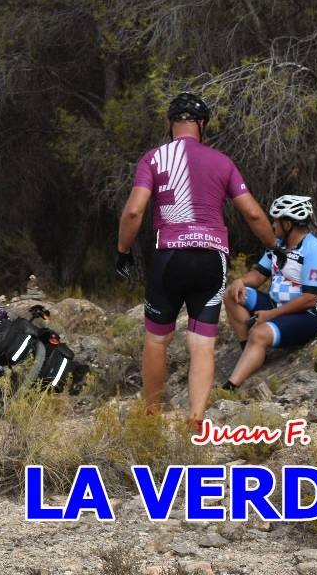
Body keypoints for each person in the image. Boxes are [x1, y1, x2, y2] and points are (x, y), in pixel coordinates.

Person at [115, 92, 277, 430]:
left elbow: (133, 211)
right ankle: (196, 420)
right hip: (210, 258)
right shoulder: (222, 162)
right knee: (202, 342)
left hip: (169, 256)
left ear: (170, 124)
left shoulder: (153, 159)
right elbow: (252, 213)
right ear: (202, 124)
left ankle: (150, 418)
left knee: (157, 339)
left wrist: (123, 251)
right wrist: (275, 245)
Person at [221, 195, 317, 389]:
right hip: (277, 305)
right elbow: (258, 275)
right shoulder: (277, 246)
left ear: (287, 224)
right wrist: (240, 281)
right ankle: (248, 350)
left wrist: (270, 315)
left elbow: (309, 299)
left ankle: (231, 386)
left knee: (260, 333)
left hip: (308, 315)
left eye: (276, 221)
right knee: (232, 294)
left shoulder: (314, 249)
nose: (272, 225)